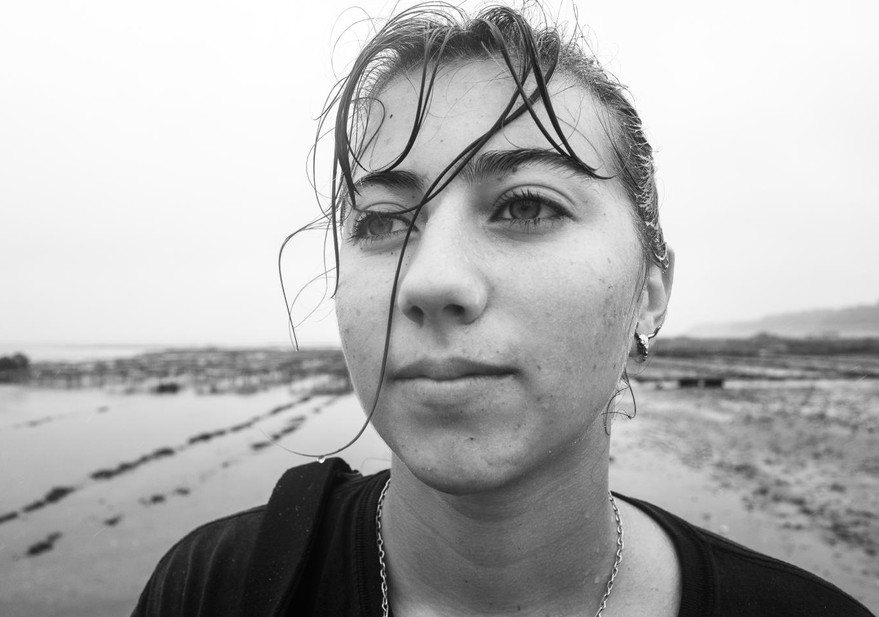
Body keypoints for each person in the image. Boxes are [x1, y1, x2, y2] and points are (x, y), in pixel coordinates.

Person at [131, 4, 875, 616]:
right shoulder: (213, 590)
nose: (431, 280)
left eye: (524, 205)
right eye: (383, 221)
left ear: (649, 292)